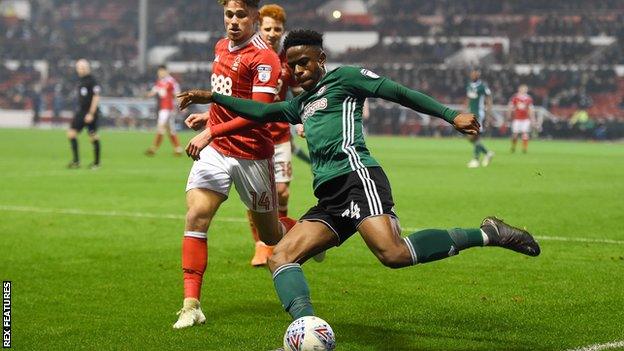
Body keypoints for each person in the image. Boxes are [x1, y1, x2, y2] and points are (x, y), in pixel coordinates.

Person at [178, 30, 541, 333]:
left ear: (321, 58)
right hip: (331, 197)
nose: (298, 70)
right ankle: (307, 331)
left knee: (393, 254)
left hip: (358, 178)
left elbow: (397, 92)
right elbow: (262, 111)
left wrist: (450, 115)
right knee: (282, 255)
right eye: (292, 65)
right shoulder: (300, 104)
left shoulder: (345, 78)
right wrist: (212, 97)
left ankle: (488, 233)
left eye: (304, 62)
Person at [172, 0, 296, 329]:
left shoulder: (265, 58)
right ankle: (191, 304)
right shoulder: (220, 47)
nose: (234, 21)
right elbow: (223, 95)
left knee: (271, 235)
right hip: (217, 151)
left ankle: (309, 234)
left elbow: (258, 113)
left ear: (255, 17)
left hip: (253, 154)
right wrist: (209, 119)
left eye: (241, 15)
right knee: (196, 214)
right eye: (229, 14)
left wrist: (212, 129)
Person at [67, 59, 101, 170]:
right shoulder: (81, 80)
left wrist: (91, 113)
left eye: (83, 67)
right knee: (71, 133)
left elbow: (96, 97)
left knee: (93, 136)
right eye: (79, 67)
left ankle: (96, 163)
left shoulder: (93, 80)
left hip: (90, 112)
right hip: (81, 111)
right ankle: (76, 161)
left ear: (88, 68)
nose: (80, 69)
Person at [145, 65, 183, 156]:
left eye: (162, 71)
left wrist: (181, 105)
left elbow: (177, 94)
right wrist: (145, 95)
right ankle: (178, 148)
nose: (160, 73)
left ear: (166, 71)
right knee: (171, 130)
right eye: (159, 72)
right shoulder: (160, 82)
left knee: (161, 127)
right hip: (163, 108)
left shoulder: (171, 81)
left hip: (168, 108)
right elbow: (153, 92)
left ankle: (154, 148)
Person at [465, 69, 494, 168]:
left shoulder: (482, 86)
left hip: (478, 113)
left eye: (475, 73)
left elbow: (489, 98)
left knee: (473, 135)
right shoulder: (469, 85)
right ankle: (487, 153)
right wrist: (465, 110)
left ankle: (476, 160)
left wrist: (489, 113)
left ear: (478, 75)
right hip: (470, 113)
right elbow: (468, 99)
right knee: (471, 138)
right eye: (472, 73)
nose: (473, 75)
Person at [508, 84, 535, 153]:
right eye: (522, 89)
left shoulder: (529, 98)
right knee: (515, 134)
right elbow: (510, 107)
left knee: (525, 133)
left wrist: (532, 119)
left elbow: (530, 109)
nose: (524, 90)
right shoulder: (515, 97)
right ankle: (513, 147)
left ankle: (524, 148)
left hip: (525, 119)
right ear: (519, 89)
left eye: (525, 89)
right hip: (517, 118)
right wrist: (509, 115)